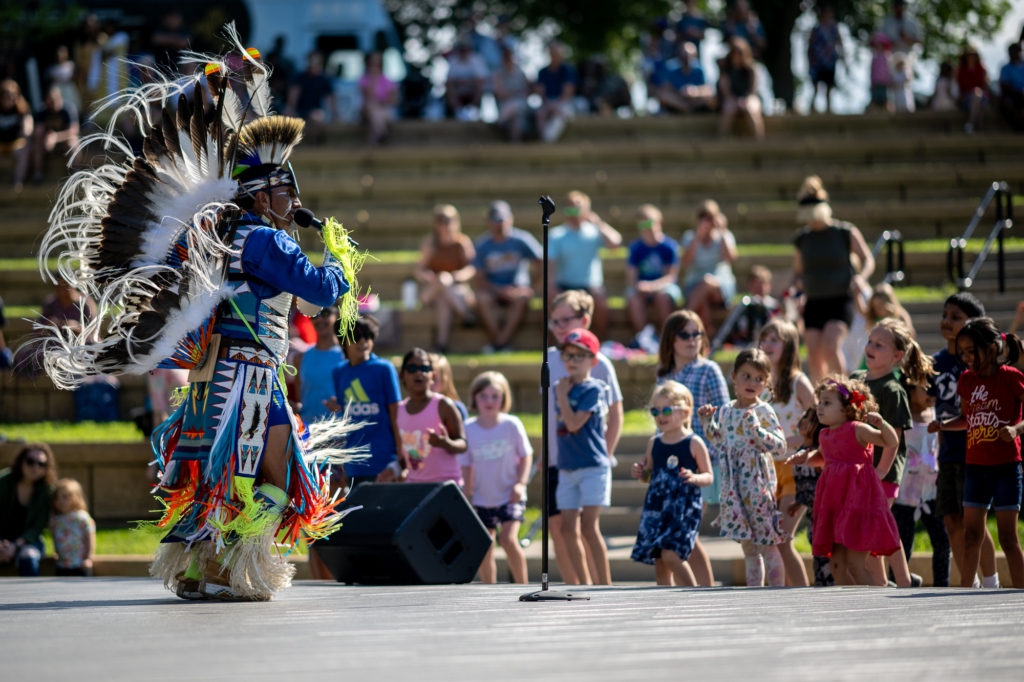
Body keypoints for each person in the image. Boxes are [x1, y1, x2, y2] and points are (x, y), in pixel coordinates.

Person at [32, 42, 361, 601]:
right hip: (250, 377)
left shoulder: (224, 234)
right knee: (264, 477)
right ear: (262, 196)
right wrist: (336, 249)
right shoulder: (267, 241)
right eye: (286, 190)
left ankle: (195, 568)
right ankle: (242, 565)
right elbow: (323, 291)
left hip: (219, 377)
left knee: (224, 475)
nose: (292, 199)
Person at [930, 317, 1024, 588]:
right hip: (975, 468)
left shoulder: (1010, 377)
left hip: (1006, 467)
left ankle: (1019, 594)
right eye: (963, 353)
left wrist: (1016, 430)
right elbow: (965, 418)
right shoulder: (967, 380)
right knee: (971, 535)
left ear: (992, 349)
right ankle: (964, 594)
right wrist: (944, 425)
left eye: (972, 351)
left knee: (1008, 538)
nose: (967, 358)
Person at [546, 290, 624, 585]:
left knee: (587, 527)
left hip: (589, 459)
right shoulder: (551, 360)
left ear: (585, 319)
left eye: (566, 319)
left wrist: (606, 453)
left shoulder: (599, 363)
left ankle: (599, 584)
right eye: (554, 321)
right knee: (559, 527)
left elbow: (615, 414)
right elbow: (551, 417)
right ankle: (574, 585)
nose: (560, 326)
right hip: (559, 459)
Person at [851, 317, 934, 588]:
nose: (871, 347)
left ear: (897, 356)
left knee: (877, 527)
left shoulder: (892, 390)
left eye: (879, 344)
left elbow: (894, 437)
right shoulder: (855, 380)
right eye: (870, 341)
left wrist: (881, 471)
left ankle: (900, 580)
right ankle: (885, 582)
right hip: (858, 470)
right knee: (875, 528)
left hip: (881, 472)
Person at [698, 349, 788, 587]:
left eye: (759, 379)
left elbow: (780, 447)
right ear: (733, 376)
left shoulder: (763, 410)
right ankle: (753, 594)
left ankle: (778, 593)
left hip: (757, 486)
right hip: (733, 487)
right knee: (748, 546)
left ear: (766, 383)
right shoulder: (726, 409)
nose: (752, 383)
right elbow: (721, 442)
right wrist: (708, 423)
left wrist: (757, 429)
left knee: (767, 542)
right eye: (746, 376)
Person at [932, 293, 1000, 588]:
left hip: (975, 453)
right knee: (951, 520)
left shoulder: (978, 364)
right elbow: (923, 399)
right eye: (945, 315)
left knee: (974, 522)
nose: (947, 321)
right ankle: (967, 583)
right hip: (947, 453)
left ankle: (991, 581)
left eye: (956, 317)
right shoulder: (934, 363)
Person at [656, 310, 728, 587]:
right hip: (670, 464)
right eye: (684, 334)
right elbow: (659, 422)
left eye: (696, 333)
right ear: (670, 340)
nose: (692, 339)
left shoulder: (708, 369)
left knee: (687, 531)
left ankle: (703, 589)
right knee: (687, 533)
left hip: (701, 461)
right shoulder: (663, 374)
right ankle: (700, 589)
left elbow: (724, 414)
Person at [811, 376, 902, 585]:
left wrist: (882, 424)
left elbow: (890, 441)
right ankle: (850, 607)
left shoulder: (857, 429)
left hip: (858, 504)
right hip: (836, 505)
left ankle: (873, 606)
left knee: (855, 563)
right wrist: (804, 458)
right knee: (836, 566)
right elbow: (823, 458)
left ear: (846, 409)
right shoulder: (824, 435)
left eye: (827, 402)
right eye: (819, 402)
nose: (820, 408)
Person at [791, 175, 875, 382]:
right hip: (813, 301)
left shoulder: (845, 231)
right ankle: (821, 397)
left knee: (830, 346)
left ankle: (845, 392)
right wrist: (795, 292)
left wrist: (861, 278)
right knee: (812, 351)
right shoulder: (803, 238)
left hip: (840, 299)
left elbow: (868, 260)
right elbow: (797, 272)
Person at [631, 381, 713, 586]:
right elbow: (649, 474)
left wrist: (694, 478)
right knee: (660, 562)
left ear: (685, 413)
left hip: (683, 510)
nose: (660, 416)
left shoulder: (693, 442)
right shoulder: (654, 443)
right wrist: (641, 472)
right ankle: (667, 605)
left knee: (670, 555)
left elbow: (709, 475)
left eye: (667, 410)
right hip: (658, 509)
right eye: (655, 411)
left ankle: (691, 596)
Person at [758, 319, 815, 586]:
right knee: (770, 540)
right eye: (764, 339)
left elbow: (820, 421)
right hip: (766, 470)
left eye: (774, 340)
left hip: (795, 468)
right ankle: (785, 594)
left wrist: (784, 440)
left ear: (789, 346)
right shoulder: (761, 382)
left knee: (782, 537)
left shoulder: (798, 382)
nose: (766, 344)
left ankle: (802, 595)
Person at [554, 328, 613, 586]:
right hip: (567, 467)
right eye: (568, 355)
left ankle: (605, 584)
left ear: (593, 361)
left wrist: (561, 398)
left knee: (589, 527)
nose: (573, 361)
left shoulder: (593, 389)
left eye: (580, 356)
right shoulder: (564, 387)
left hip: (592, 467)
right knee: (567, 529)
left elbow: (574, 423)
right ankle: (582, 583)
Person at [463, 371, 532, 584]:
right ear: (475, 397)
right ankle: (489, 588)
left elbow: (526, 455)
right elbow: (465, 464)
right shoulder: (468, 428)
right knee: (485, 544)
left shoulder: (511, 424)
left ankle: (523, 585)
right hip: (483, 498)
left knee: (509, 540)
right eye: (483, 395)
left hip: (509, 495)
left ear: (504, 398)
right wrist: (468, 493)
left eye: (495, 396)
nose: (489, 401)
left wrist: (520, 484)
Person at [326, 315, 403, 485]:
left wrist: (400, 456)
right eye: (356, 336)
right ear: (343, 340)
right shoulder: (339, 372)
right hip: (354, 463)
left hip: (383, 461)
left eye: (367, 336)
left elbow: (397, 414)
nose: (363, 341)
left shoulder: (383, 368)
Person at [892, 380, 950, 586]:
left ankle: (942, 584)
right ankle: (900, 582)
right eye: (926, 388)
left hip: (933, 492)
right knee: (903, 544)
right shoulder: (902, 418)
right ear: (909, 390)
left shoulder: (937, 416)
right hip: (905, 495)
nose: (932, 392)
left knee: (942, 541)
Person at [549, 190, 622, 340]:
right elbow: (550, 266)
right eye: (570, 209)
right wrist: (551, 286)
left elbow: (616, 243)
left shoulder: (595, 232)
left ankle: (599, 342)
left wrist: (597, 222)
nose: (574, 214)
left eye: (577, 209)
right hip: (564, 285)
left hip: (590, 287)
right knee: (550, 299)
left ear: (586, 211)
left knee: (600, 300)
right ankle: (556, 342)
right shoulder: (556, 235)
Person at [472, 200, 543, 352]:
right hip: (494, 290)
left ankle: (499, 343)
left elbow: (542, 262)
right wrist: (498, 290)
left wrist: (531, 287)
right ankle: (501, 342)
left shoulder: (522, 239)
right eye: (496, 220)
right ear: (488, 222)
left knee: (522, 298)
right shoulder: (482, 245)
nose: (500, 224)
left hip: (517, 289)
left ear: (510, 219)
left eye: (502, 219)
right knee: (482, 299)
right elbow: (478, 278)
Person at [397, 348, 469, 484]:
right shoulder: (399, 410)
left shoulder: (443, 405)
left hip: (446, 485)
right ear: (402, 376)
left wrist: (446, 443)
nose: (419, 373)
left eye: (424, 368)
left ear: (433, 375)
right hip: (414, 485)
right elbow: (401, 451)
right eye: (412, 368)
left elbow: (463, 444)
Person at [416, 204, 476, 352]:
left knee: (443, 300)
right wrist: (426, 276)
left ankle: (441, 344)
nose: (446, 225)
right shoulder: (430, 244)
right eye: (442, 221)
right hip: (432, 290)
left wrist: (458, 276)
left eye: (449, 220)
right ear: (436, 224)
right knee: (443, 279)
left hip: (454, 289)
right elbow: (418, 269)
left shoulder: (462, 242)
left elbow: (472, 268)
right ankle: (464, 314)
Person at [787, 407, 833, 586]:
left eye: (811, 419)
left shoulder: (817, 453)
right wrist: (799, 502)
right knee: (817, 551)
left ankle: (831, 588)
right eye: (805, 416)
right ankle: (821, 586)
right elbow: (805, 483)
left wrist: (821, 504)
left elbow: (825, 481)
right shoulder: (801, 449)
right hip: (813, 515)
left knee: (826, 555)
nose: (804, 420)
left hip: (824, 513)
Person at [626, 204, 682, 338]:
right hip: (643, 287)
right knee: (633, 297)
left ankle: (667, 337)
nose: (647, 228)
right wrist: (639, 286)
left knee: (662, 297)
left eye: (649, 223)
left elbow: (670, 277)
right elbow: (631, 278)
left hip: (664, 287)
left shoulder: (670, 246)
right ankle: (643, 338)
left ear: (659, 223)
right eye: (642, 225)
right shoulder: (635, 247)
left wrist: (652, 286)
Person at [682, 199, 738, 335]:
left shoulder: (725, 236)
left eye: (710, 218)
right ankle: (708, 334)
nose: (706, 221)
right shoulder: (689, 237)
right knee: (703, 300)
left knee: (706, 282)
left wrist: (722, 231)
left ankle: (682, 322)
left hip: (721, 285)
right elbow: (686, 262)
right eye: (703, 217)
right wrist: (698, 237)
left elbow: (730, 258)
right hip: (695, 284)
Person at [0, 444, 56, 577]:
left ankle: (35, 597)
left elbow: (37, 527)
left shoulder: (46, 491)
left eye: (41, 463)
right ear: (21, 461)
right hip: (2, 540)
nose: (35, 467)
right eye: (30, 461)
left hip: (28, 541)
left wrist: (15, 546)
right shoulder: (3, 482)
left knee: (28, 556)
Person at [295, 305, 344, 425]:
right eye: (315, 314)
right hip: (309, 433)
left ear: (336, 315)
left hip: (340, 432)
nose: (320, 319)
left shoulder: (347, 355)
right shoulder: (300, 358)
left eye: (326, 313)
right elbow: (300, 398)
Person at [31, 87, 80, 184]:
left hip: (64, 141)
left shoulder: (68, 109)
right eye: (49, 100)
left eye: (55, 99)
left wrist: (56, 137)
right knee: (37, 145)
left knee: (73, 143)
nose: (52, 102)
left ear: (61, 98)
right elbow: (37, 132)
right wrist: (45, 136)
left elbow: (74, 130)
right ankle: (38, 174)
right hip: (48, 142)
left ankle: (76, 174)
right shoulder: (42, 111)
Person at [718, 38, 764, 139]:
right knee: (728, 108)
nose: (736, 55)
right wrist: (734, 100)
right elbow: (725, 91)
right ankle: (721, 140)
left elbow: (753, 88)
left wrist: (745, 99)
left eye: (739, 52)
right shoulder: (726, 70)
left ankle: (759, 141)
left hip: (749, 97)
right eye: (734, 52)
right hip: (732, 98)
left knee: (751, 109)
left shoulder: (751, 69)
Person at [653, 42, 717, 115]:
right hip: (679, 100)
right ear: (679, 56)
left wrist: (695, 91)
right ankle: (687, 109)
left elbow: (710, 89)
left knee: (712, 98)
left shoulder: (700, 69)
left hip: (696, 100)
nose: (687, 58)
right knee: (662, 95)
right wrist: (680, 91)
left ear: (695, 55)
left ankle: (689, 109)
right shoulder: (672, 68)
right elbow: (664, 88)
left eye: (690, 55)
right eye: (684, 55)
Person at [50, 478, 95, 577]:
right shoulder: (55, 519)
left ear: (75, 498)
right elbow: (55, 537)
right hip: (62, 565)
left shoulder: (81, 517)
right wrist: (56, 551)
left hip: (79, 564)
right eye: (57, 497)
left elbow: (90, 537)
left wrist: (89, 558)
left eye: (65, 497)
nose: (60, 501)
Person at [286, 52, 337, 139]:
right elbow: (293, 94)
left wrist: (334, 113)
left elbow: (330, 97)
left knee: (317, 116)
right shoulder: (300, 77)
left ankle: (314, 143)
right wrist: (291, 109)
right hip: (300, 109)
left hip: (315, 110)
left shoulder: (323, 79)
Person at [535, 42, 577, 143]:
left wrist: (555, 104)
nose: (554, 56)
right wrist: (548, 103)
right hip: (548, 101)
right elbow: (541, 92)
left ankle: (547, 140)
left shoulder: (567, 70)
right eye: (552, 53)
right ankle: (543, 138)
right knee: (540, 113)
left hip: (564, 102)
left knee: (559, 114)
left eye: (556, 53)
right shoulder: (543, 72)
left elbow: (568, 93)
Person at [806, 5, 843, 114]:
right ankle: (812, 108)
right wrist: (809, 60)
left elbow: (839, 41)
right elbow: (810, 45)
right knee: (815, 87)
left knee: (829, 86)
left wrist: (842, 54)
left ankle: (828, 108)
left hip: (830, 61)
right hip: (817, 62)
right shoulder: (816, 30)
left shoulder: (833, 28)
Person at [492, 43, 530, 142]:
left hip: (520, 104)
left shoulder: (520, 71)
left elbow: (526, 91)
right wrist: (515, 93)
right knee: (515, 116)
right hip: (504, 104)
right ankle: (516, 142)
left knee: (516, 106)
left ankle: (500, 120)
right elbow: (499, 93)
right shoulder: (498, 72)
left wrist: (509, 93)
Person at [0, 79, 33, 191]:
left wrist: (26, 128)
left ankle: (17, 183)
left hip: (15, 143)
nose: (10, 99)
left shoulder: (22, 109)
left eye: (13, 96)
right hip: (1, 144)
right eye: (6, 97)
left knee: (25, 149)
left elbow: (28, 128)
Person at [359, 52, 397, 146]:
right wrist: (373, 78)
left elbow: (393, 99)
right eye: (372, 64)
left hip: (382, 109)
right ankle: (382, 134)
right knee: (373, 107)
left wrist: (386, 100)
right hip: (368, 110)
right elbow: (368, 95)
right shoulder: (364, 79)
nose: (375, 67)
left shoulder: (387, 80)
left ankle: (379, 137)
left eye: (377, 64)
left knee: (378, 115)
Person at [446, 36, 488, 120]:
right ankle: (459, 112)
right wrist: (462, 82)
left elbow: (482, 79)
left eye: (466, 49)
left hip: (472, 90)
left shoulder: (477, 59)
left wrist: (466, 82)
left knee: (479, 86)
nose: (464, 51)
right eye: (462, 49)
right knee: (449, 87)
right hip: (458, 90)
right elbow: (449, 80)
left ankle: (472, 111)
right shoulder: (453, 60)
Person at [955, 45, 989, 134]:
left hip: (981, 96)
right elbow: (957, 87)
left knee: (977, 94)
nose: (972, 56)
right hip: (966, 99)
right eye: (969, 54)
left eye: (974, 54)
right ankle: (979, 129)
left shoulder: (982, 69)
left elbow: (985, 86)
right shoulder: (960, 70)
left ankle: (970, 123)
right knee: (979, 105)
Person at [430, 353, 469, 423]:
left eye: (434, 379)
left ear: (445, 380)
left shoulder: (456, 408)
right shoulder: (414, 407)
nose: (430, 383)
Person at [998, 43, 1024, 132]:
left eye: (1016, 51)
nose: (1014, 53)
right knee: (1006, 102)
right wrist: (1019, 92)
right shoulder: (1005, 68)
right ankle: (1020, 126)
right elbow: (1004, 85)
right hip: (1013, 96)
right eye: (1012, 52)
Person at [867, 33, 893, 113]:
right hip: (876, 82)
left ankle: (890, 113)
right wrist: (871, 82)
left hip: (884, 82)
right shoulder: (874, 58)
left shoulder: (887, 57)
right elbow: (871, 71)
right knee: (874, 100)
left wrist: (890, 80)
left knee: (885, 99)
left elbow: (890, 70)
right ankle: (872, 115)